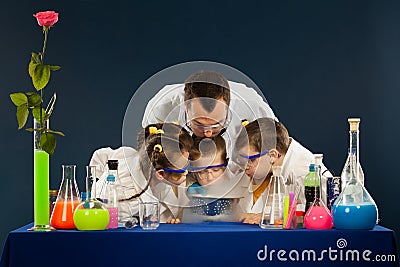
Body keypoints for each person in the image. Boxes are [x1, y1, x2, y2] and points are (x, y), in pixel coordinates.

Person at [142, 70, 276, 157]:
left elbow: (278, 147)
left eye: (216, 125)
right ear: (185, 104)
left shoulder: (253, 106)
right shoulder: (160, 108)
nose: (207, 133)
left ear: (229, 105)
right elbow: (151, 157)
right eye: (199, 124)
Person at [234, 118, 331, 224]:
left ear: (273, 155)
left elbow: (315, 218)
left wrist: (271, 217)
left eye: (250, 160)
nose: (245, 167)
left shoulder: (301, 174)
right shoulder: (278, 158)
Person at [93, 123, 194, 224]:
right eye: (180, 172)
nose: (187, 172)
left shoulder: (151, 164)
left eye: (187, 162)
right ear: (161, 174)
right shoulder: (124, 194)